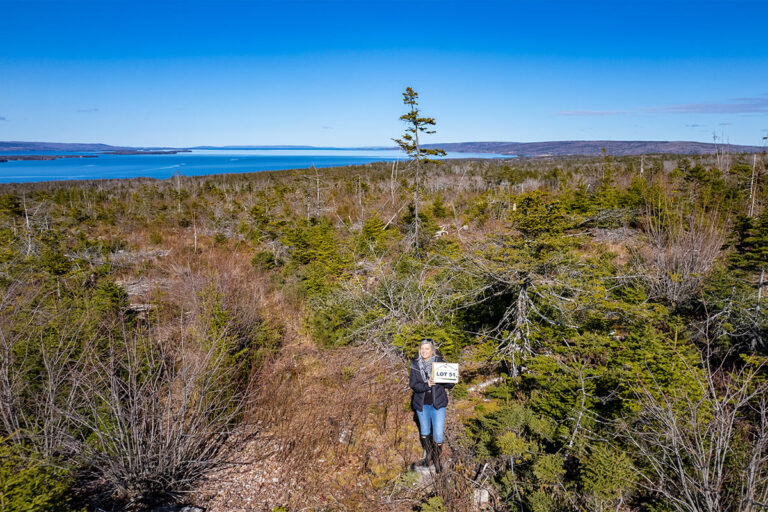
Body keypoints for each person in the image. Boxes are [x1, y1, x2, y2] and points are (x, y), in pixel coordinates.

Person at [409, 338, 454, 472]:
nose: (424, 351)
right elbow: (413, 385)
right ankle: (428, 455)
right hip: (422, 403)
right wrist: (426, 384)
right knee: (424, 431)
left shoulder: (441, 363)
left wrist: (444, 380)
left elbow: (450, 384)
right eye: (422, 349)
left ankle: (437, 458)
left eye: (427, 349)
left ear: (432, 350)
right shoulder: (415, 365)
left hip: (438, 403)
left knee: (438, 434)